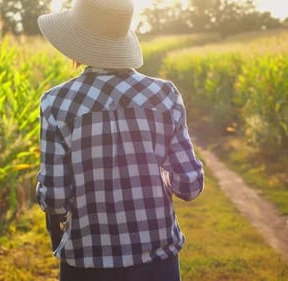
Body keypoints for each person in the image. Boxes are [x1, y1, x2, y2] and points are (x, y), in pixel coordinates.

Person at [35, 0, 205, 280]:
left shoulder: (55, 102)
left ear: (77, 44)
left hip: (86, 263)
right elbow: (190, 185)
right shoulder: (165, 95)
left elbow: (54, 198)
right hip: (157, 262)